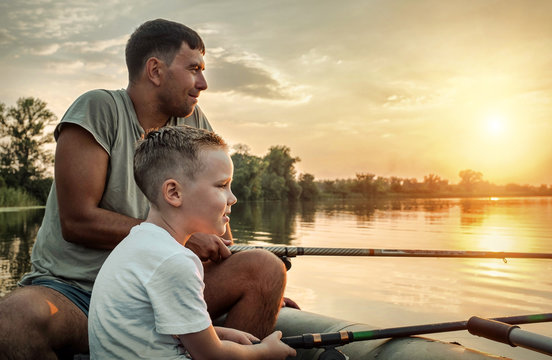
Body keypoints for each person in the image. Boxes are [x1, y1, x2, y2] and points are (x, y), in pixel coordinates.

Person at [0, 19, 292, 359]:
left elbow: (217, 216)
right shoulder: (98, 109)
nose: (204, 83)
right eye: (194, 69)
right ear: (155, 70)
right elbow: (77, 221)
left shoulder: (194, 123)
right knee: (12, 322)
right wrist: (183, 240)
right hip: (74, 292)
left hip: (165, 283)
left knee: (266, 269)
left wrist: (259, 287)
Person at [88, 126, 296, 359]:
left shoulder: (135, 245)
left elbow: (146, 329)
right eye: (221, 185)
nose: (233, 198)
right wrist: (264, 352)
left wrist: (216, 333)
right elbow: (211, 356)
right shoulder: (176, 260)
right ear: (174, 193)